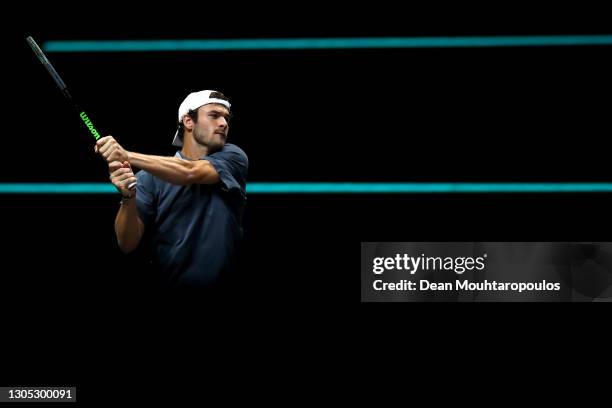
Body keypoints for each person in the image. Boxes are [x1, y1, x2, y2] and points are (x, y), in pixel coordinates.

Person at [95, 90, 248, 289]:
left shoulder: (233, 157)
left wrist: (126, 155)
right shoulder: (147, 179)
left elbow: (190, 173)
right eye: (214, 115)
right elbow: (127, 243)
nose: (223, 123)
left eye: (226, 118)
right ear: (188, 121)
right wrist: (128, 197)